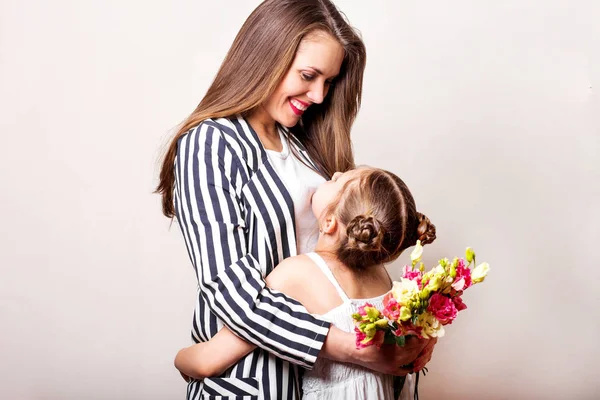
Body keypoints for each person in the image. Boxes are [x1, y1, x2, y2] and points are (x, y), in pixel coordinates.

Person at [156, 0, 435, 398]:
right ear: (266, 55)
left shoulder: (307, 146)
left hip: (329, 383)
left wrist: (408, 340)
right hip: (253, 385)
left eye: (329, 81)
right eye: (309, 75)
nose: (320, 95)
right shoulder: (211, 144)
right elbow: (233, 294)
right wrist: (357, 349)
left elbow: (350, 263)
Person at [174, 166, 437, 400]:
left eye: (338, 181)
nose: (333, 174)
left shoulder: (297, 274)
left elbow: (208, 361)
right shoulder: (382, 277)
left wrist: (179, 359)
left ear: (329, 222)